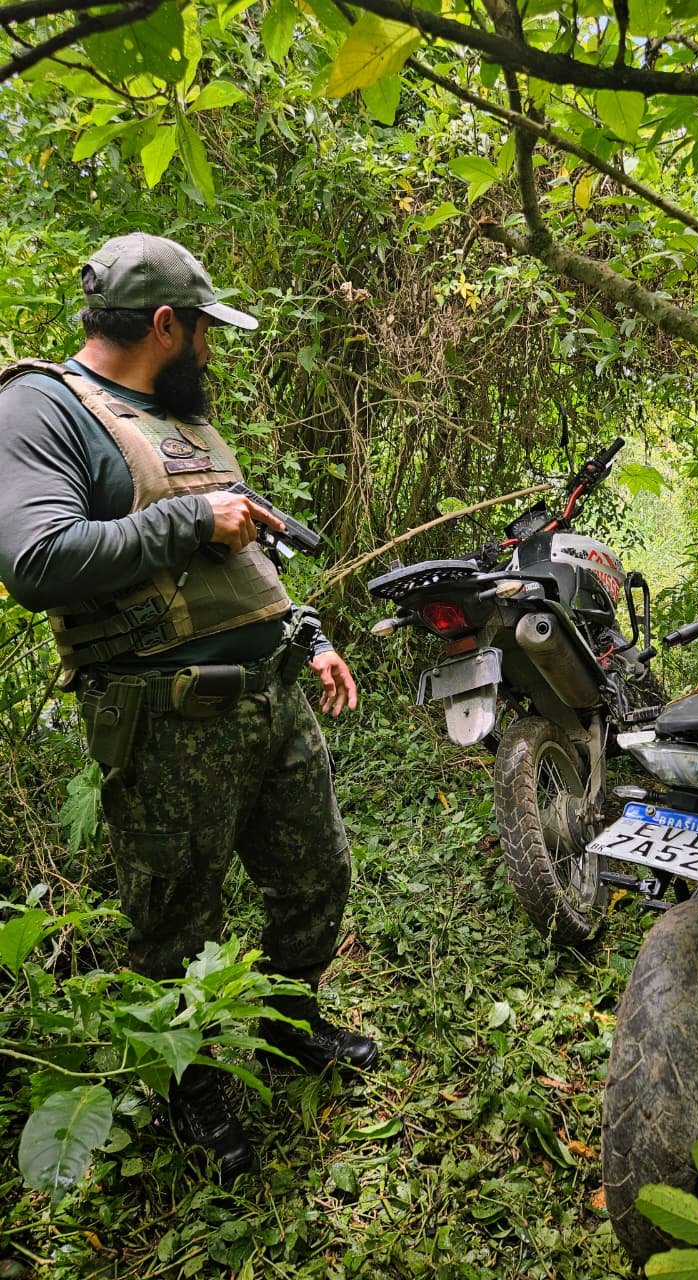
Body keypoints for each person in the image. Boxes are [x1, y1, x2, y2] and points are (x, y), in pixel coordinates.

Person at [0, 232, 377, 1182]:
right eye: (204, 330)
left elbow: (245, 559)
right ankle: (190, 1081)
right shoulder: (43, 408)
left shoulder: (183, 421)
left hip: (272, 696)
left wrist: (311, 636)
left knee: (317, 875)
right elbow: (35, 562)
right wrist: (187, 518)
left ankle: (288, 1020)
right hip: (168, 720)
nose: (211, 348)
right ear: (164, 325)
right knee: (176, 920)